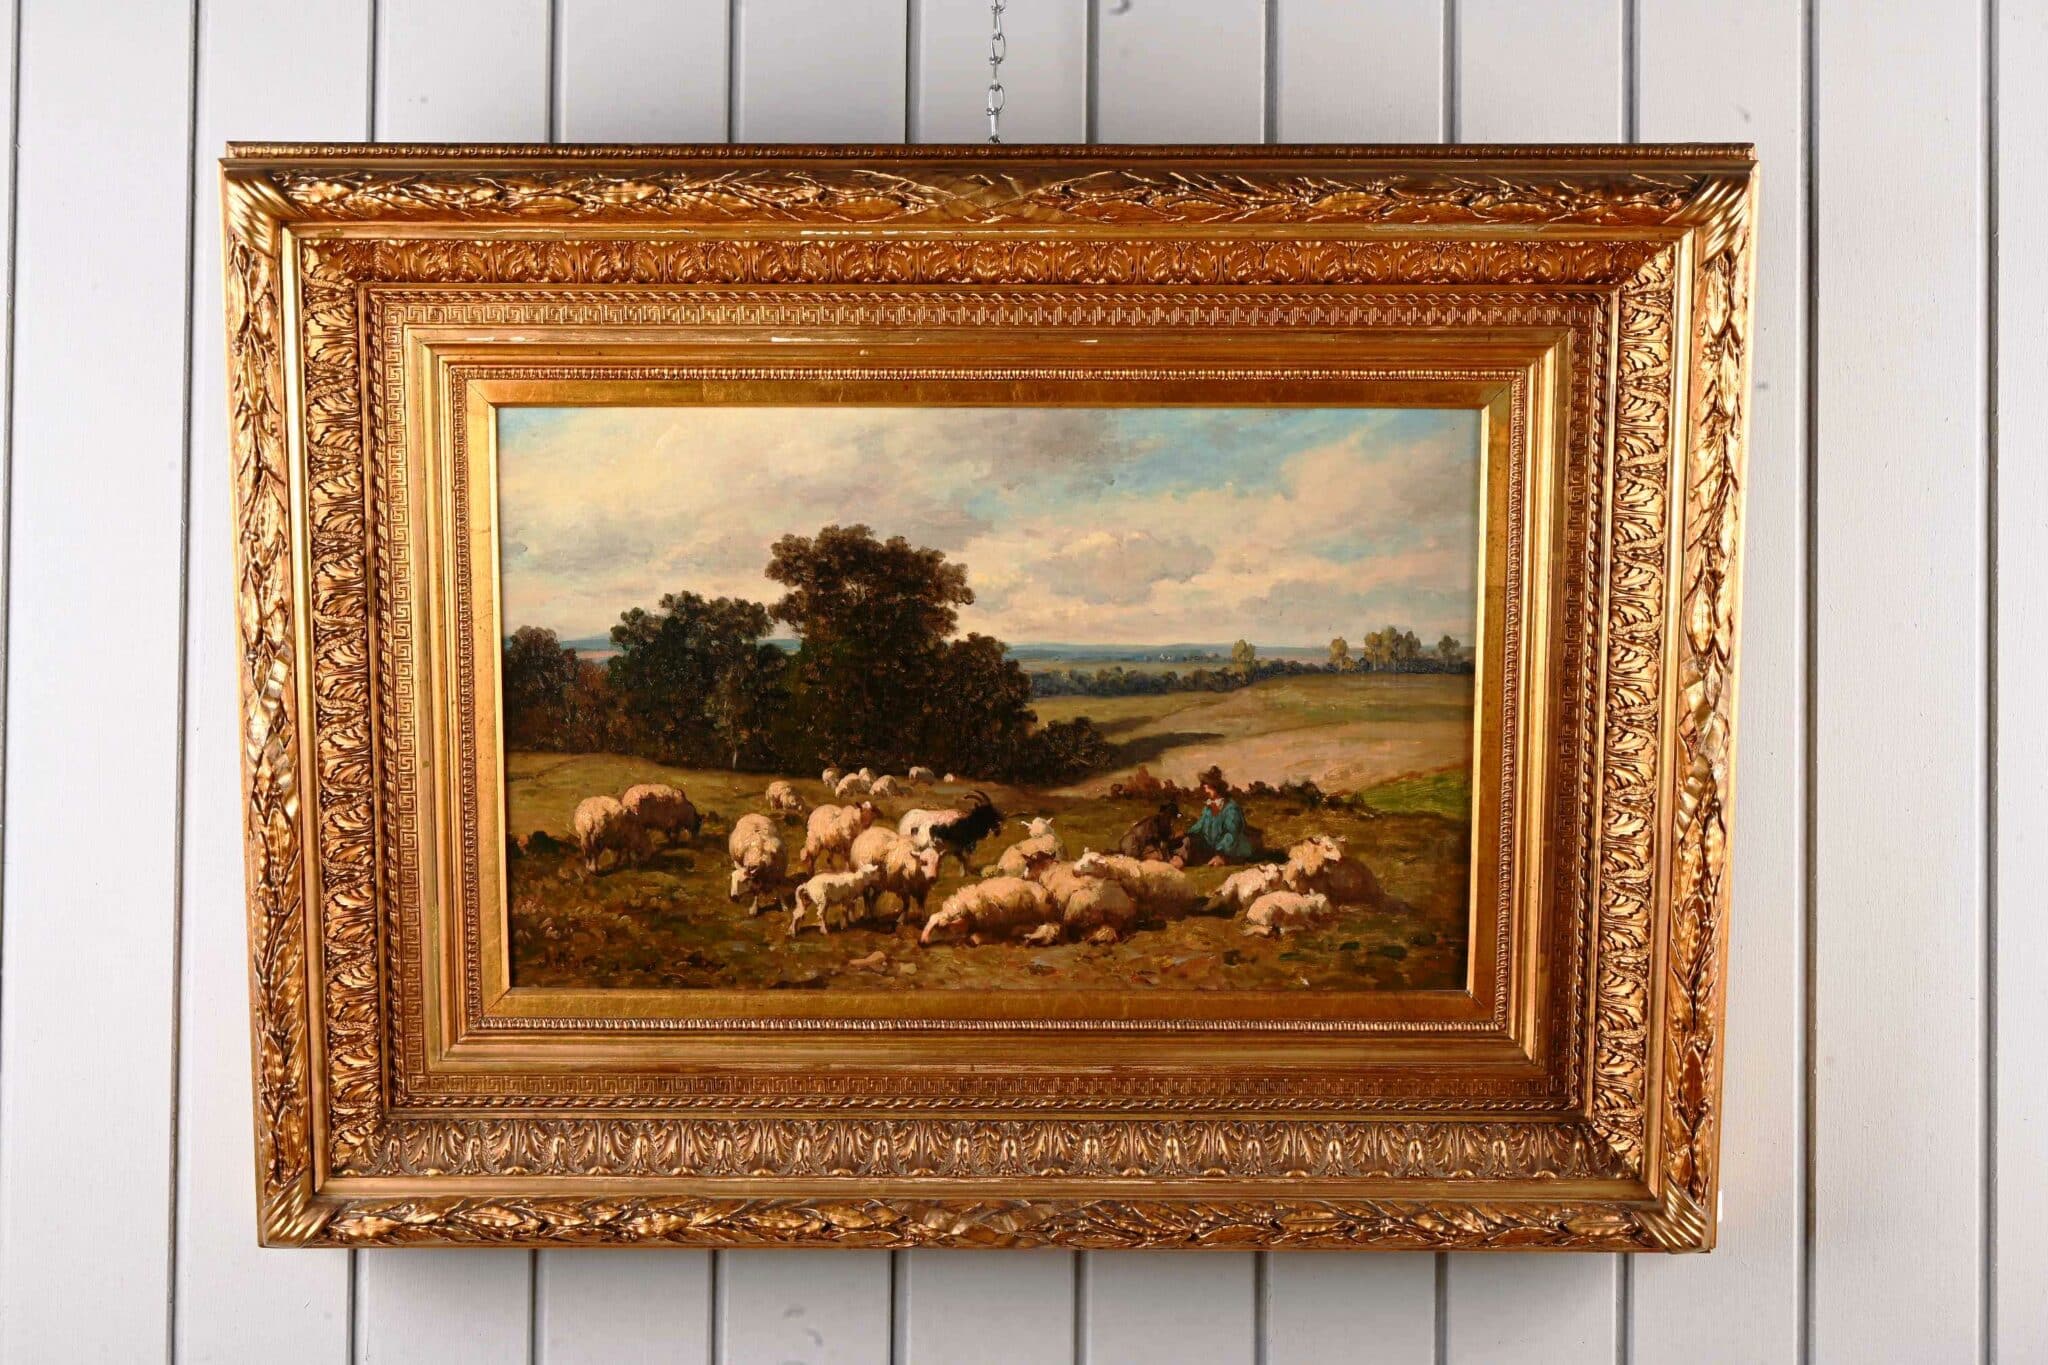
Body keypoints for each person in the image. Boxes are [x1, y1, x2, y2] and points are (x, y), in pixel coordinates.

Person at [1173, 766, 1256, 867]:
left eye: (1208, 788)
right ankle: (1178, 859)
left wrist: (1220, 853)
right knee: (1187, 841)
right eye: (1205, 788)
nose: (1206, 791)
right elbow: (1200, 826)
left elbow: (1231, 834)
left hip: (1230, 850)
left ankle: (1218, 858)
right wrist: (1186, 833)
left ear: (1217, 788)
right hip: (1212, 848)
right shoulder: (1208, 808)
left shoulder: (1231, 808)